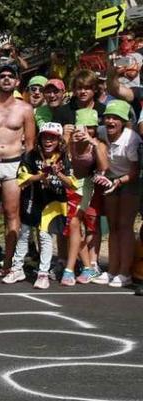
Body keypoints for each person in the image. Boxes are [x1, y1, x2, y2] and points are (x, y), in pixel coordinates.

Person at [3, 123, 75, 289]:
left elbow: (72, 184)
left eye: (52, 138)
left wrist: (57, 173)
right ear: (39, 138)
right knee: (24, 233)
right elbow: (22, 178)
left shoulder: (64, 157)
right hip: (33, 199)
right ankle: (17, 268)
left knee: (45, 236)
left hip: (53, 202)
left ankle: (43, 273)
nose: (48, 141)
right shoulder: (30, 155)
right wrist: (42, 175)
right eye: (45, 137)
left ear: (59, 140)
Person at [0, 63, 36, 275]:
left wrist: (26, 169)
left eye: (10, 76)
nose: (6, 79)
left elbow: (31, 144)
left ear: (17, 81)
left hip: (14, 164)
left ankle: (9, 261)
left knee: (12, 213)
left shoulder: (25, 108)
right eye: (2, 76)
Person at [91, 99, 140, 287]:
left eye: (115, 118)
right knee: (112, 226)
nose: (110, 121)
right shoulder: (101, 132)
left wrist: (119, 182)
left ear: (123, 121)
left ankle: (125, 273)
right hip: (110, 180)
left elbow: (135, 171)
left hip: (129, 181)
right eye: (108, 117)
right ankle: (112, 270)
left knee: (125, 225)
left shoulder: (132, 139)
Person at [64, 109, 108, 285]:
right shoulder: (70, 140)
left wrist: (93, 143)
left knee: (74, 223)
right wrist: (66, 141)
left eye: (90, 127)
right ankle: (87, 267)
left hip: (86, 187)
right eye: (83, 127)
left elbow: (104, 165)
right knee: (72, 228)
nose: (86, 131)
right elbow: (61, 160)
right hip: (68, 183)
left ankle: (70, 269)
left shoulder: (99, 143)